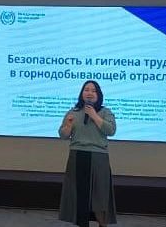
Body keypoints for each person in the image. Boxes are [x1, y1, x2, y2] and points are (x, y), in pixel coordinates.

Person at [58, 80, 117, 227]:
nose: (89, 93)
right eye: (86, 90)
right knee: (80, 197)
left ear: (98, 95)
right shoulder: (73, 112)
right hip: (77, 156)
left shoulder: (105, 112)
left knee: (100, 198)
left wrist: (94, 116)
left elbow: (111, 130)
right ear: (81, 93)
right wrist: (68, 126)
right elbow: (63, 135)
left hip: (99, 157)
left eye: (93, 90)